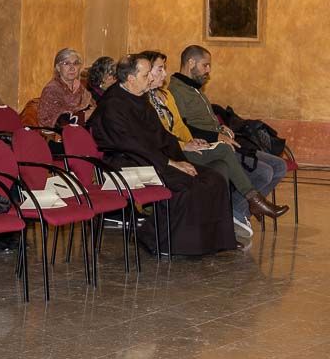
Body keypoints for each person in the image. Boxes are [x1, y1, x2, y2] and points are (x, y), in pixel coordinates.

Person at [87, 54, 235, 256]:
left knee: (213, 179)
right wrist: (170, 162)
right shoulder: (113, 105)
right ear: (130, 78)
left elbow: (159, 133)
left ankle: (209, 241)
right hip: (126, 163)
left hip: (150, 158)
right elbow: (131, 144)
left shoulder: (139, 97)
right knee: (186, 185)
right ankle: (162, 240)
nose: (151, 78)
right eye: (146, 74)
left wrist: (181, 151)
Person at [168, 45, 289, 229]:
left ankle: (238, 212)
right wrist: (216, 134)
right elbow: (184, 128)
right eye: (205, 65)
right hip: (209, 147)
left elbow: (203, 120)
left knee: (280, 165)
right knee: (265, 172)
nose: (208, 71)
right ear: (190, 62)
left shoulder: (194, 88)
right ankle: (239, 211)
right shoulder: (176, 90)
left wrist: (221, 127)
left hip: (221, 141)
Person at [39, 48, 94, 128]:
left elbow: (94, 107)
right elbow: (58, 122)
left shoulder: (80, 88)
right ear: (58, 67)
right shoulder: (52, 90)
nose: (72, 68)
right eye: (66, 63)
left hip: (84, 131)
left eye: (75, 63)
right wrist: (86, 115)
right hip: (60, 136)